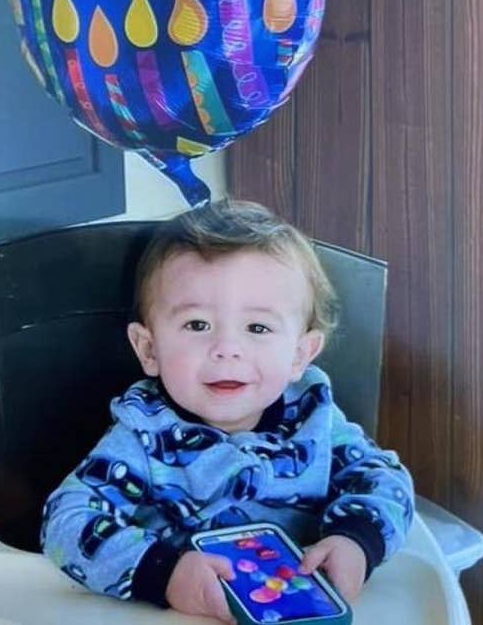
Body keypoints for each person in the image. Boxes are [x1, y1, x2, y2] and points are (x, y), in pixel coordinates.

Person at [40, 200, 415, 623]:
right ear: (149, 348)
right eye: (197, 325)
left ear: (300, 354)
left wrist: (356, 541)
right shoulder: (143, 436)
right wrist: (162, 574)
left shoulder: (317, 421)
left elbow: (385, 480)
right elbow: (66, 520)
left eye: (257, 328)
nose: (227, 349)